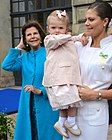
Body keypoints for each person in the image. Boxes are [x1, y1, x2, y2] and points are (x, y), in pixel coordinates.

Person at [63, 1, 112, 140]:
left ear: (105, 21)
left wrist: (95, 94)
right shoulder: (79, 45)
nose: (86, 23)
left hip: (95, 113)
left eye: (91, 19)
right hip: (72, 113)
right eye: (86, 19)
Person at [1, 20, 62, 140]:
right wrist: (19, 47)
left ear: (40, 36)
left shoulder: (50, 53)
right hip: (28, 105)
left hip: (47, 104)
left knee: (47, 134)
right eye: (28, 35)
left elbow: (59, 78)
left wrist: (41, 91)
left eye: (35, 33)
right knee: (31, 134)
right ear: (25, 39)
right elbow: (6, 65)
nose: (33, 37)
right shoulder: (24, 58)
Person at [42, 10, 83, 138]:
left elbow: (74, 39)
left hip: (68, 75)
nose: (57, 31)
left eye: (61, 28)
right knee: (70, 99)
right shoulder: (49, 39)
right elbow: (56, 41)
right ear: (48, 28)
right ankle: (70, 122)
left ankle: (62, 122)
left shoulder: (67, 39)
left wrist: (80, 37)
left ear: (66, 28)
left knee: (68, 102)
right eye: (53, 28)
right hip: (58, 76)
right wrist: (70, 36)